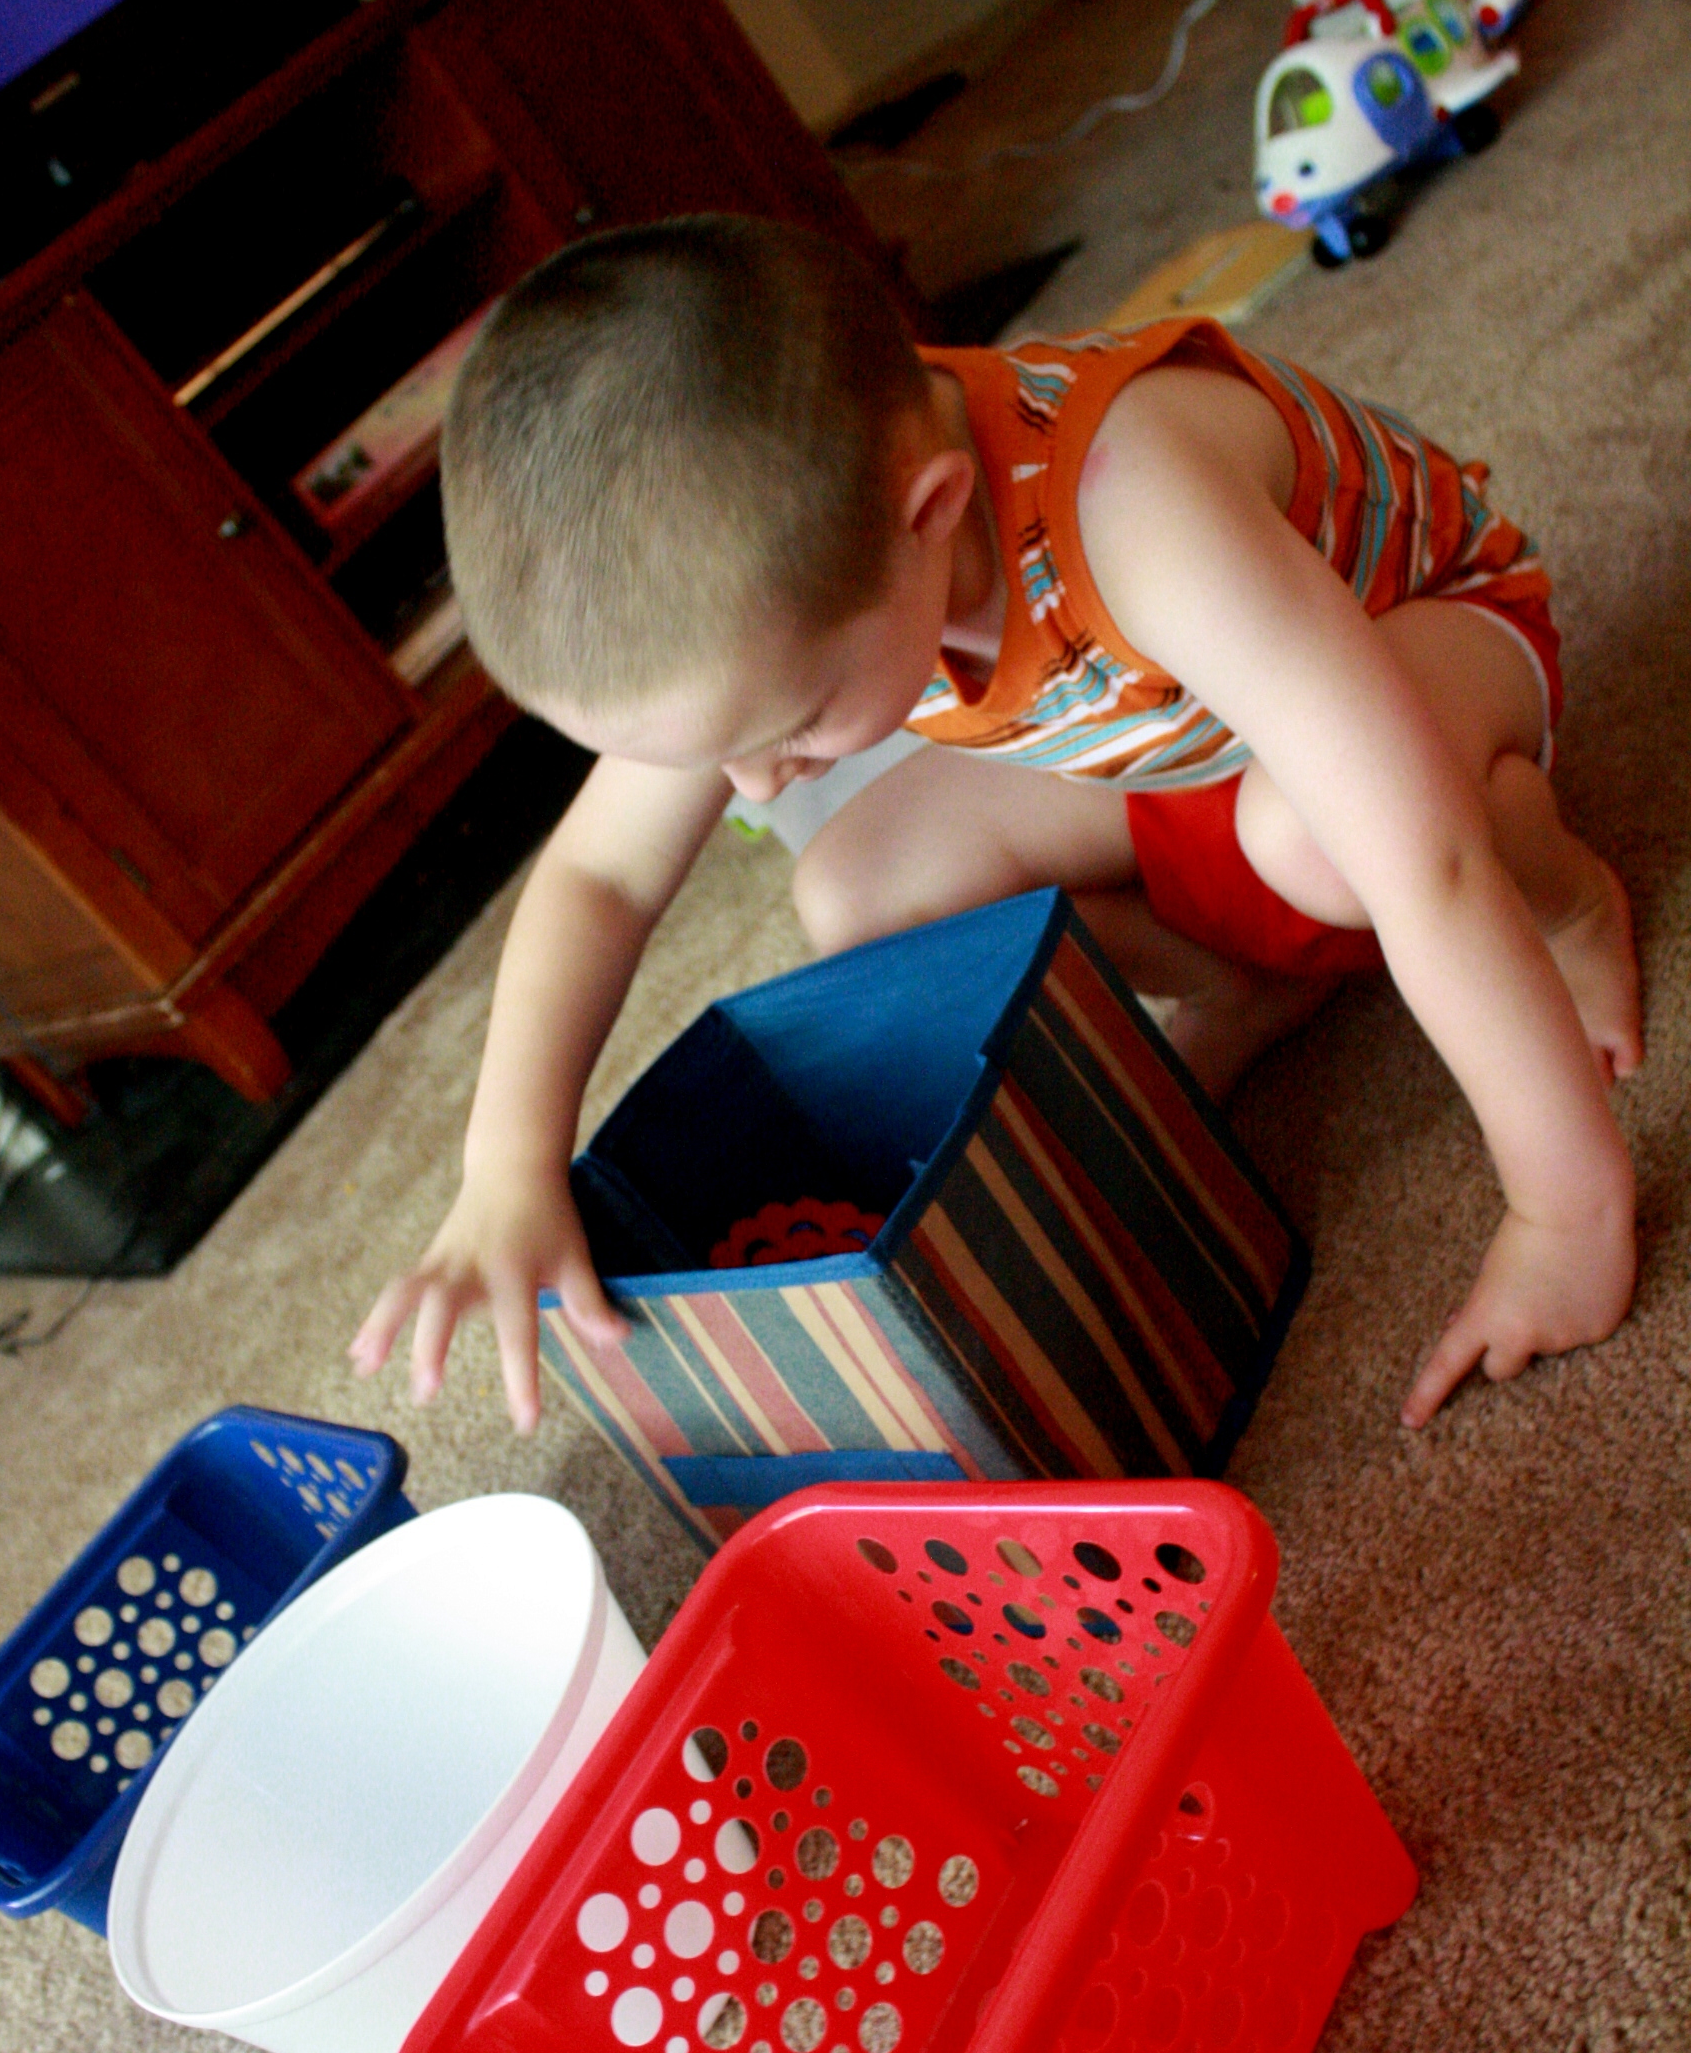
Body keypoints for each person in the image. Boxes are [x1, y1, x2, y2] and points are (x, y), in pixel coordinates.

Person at [350, 214, 1640, 1435]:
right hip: (1178, 738)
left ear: (932, 513)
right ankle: (1247, 983)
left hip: (1428, 651)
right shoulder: (817, 543)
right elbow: (599, 877)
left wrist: (1563, 1218)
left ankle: (1567, 893)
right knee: (860, 892)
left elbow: (1428, 863)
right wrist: (509, 1163)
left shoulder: (1142, 509)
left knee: (1321, 844)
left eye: (789, 725)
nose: (753, 788)